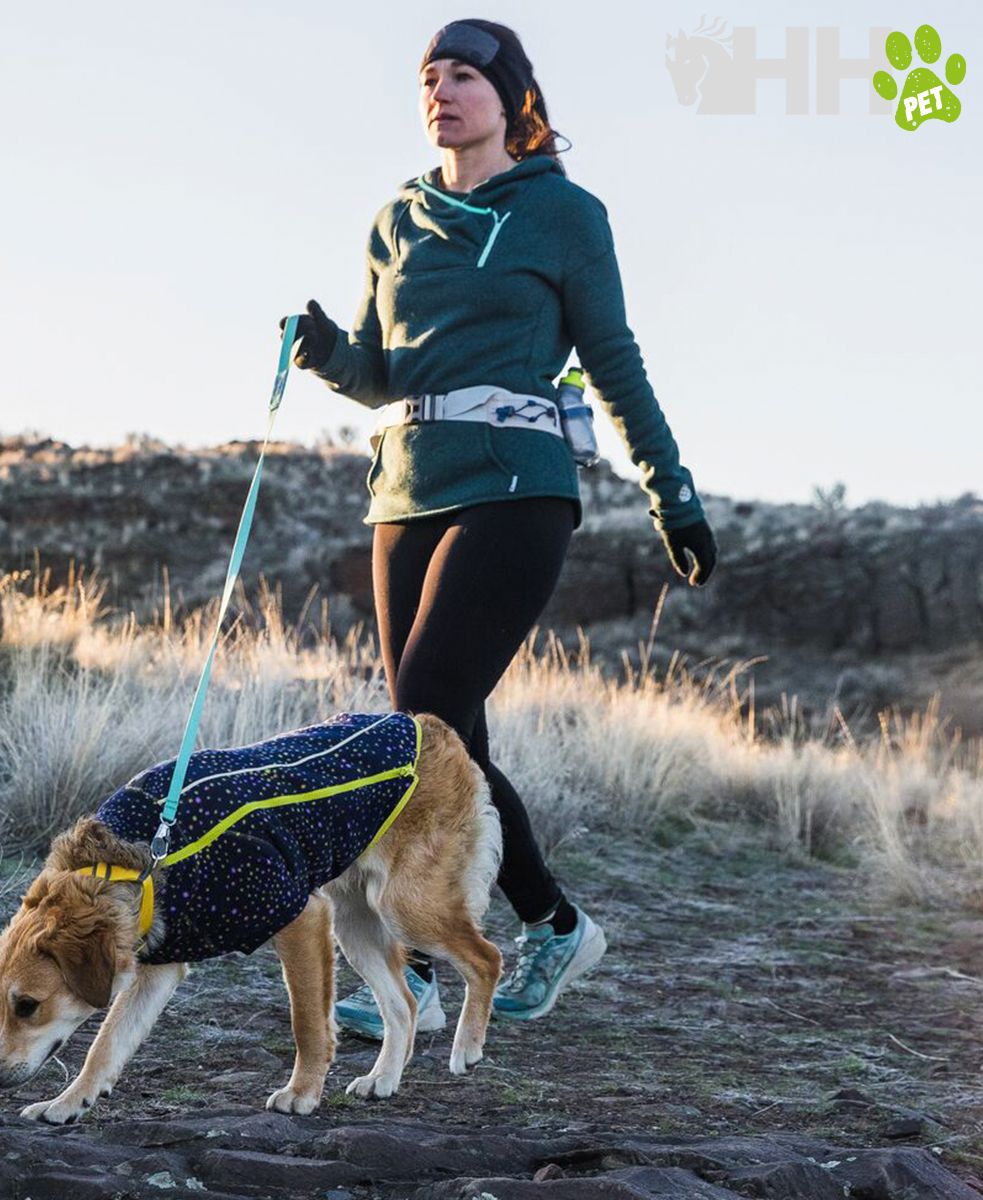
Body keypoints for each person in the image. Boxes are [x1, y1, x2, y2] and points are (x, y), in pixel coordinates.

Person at [279, 19, 717, 1034]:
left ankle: (421, 970)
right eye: (428, 76)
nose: (440, 90)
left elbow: (614, 360)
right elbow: (382, 370)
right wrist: (330, 353)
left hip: (519, 485)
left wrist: (674, 495)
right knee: (440, 742)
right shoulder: (395, 219)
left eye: (464, 74)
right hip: (406, 493)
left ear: (511, 98)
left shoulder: (563, 213)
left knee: (422, 721)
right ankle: (554, 924)